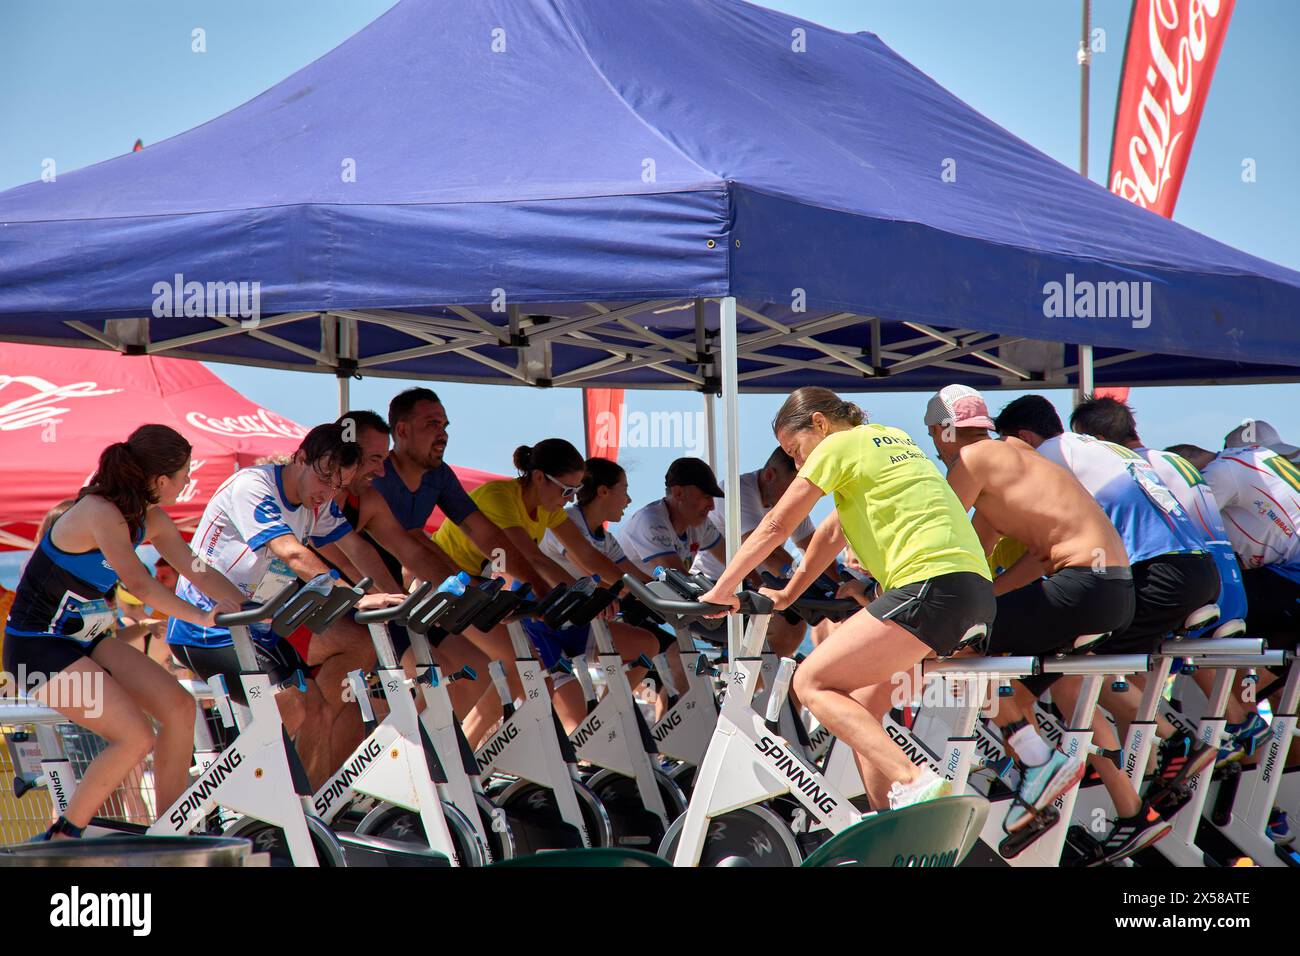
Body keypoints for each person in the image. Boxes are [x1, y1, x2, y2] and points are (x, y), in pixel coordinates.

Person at [700, 387, 995, 811]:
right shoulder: (889, 439)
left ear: (819, 423)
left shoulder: (837, 444)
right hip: (973, 592)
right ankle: (890, 822)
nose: (798, 464)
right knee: (860, 705)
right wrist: (788, 593)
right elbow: (832, 533)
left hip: (930, 587)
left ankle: (915, 780)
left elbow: (776, 524)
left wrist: (722, 589)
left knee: (811, 681)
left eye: (794, 450)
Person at [994, 394, 1220, 857]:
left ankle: (1169, 743)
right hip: (1192, 570)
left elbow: (1044, 558)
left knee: (1052, 683)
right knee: (1068, 678)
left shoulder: (1048, 458)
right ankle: (1132, 806)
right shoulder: (1094, 448)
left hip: (1156, 572)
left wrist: (990, 592)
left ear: (1023, 441)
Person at [3, 425, 250, 839]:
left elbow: (197, 567)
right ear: (158, 480)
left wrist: (247, 607)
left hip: (84, 638)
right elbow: (140, 585)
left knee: (179, 707)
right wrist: (203, 617)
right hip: (35, 647)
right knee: (134, 737)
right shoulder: (101, 512)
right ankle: (64, 834)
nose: (188, 482)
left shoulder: (150, 518)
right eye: (185, 474)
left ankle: (171, 830)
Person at [922, 384, 1133, 833]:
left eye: (931, 435)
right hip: (1114, 590)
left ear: (945, 431)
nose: (935, 449)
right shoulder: (1016, 455)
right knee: (1012, 694)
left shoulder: (972, 460)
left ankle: (1038, 765)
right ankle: (1059, 796)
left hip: (1082, 584)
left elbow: (939, 541)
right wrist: (986, 596)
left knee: (958, 650)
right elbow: (984, 550)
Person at [165, 423, 404, 788]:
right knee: (296, 707)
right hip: (208, 627)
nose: (327, 494)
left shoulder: (317, 498)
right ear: (301, 458)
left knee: (325, 702)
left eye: (338, 486)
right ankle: (228, 792)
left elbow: (356, 549)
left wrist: (395, 595)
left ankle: (307, 812)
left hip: (260, 624)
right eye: (324, 480)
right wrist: (357, 597)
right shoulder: (253, 486)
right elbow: (292, 553)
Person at [1070, 397, 1263, 762]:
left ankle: (1165, 745)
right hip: (1224, 578)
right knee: (1150, 650)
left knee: (1102, 657)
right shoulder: (1169, 458)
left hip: (1195, 581)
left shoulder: (1132, 465)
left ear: (1096, 439)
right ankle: (1232, 725)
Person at [311, 409, 493, 733]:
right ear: (346, 455)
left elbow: (407, 551)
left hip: (358, 609)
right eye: (375, 459)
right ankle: (402, 757)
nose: (382, 469)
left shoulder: (367, 499)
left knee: (473, 668)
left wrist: (459, 591)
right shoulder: (317, 500)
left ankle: (419, 759)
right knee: (432, 678)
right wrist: (390, 599)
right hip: (322, 615)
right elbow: (344, 559)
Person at [431, 439, 637, 714]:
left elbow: (585, 555)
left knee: (534, 676)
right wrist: (554, 595)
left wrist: (591, 594)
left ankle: (473, 749)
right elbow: (529, 557)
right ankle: (466, 746)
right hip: (443, 583)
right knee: (526, 672)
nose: (572, 499)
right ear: (539, 478)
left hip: (476, 588)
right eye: (566, 490)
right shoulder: (500, 497)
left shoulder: (546, 509)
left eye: (576, 490)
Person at [532, 456, 659, 730]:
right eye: (624, 491)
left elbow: (635, 579)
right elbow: (589, 565)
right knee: (574, 723)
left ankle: (602, 726)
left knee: (647, 645)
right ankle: (589, 737)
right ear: (603, 491)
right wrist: (616, 591)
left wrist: (675, 597)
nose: (628, 500)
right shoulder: (566, 522)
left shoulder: (607, 540)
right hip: (543, 628)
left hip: (578, 625)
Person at [690, 448, 818, 657]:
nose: (799, 497)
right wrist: (800, 577)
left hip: (752, 583)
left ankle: (758, 687)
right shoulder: (737, 491)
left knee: (794, 622)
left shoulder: (790, 497)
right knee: (788, 624)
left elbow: (814, 548)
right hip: (711, 588)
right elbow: (768, 553)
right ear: (769, 476)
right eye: (793, 489)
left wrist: (837, 583)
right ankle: (754, 686)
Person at [619, 458, 728, 578]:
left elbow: (732, 560)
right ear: (678, 493)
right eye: (706, 496)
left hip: (650, 595)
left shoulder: (700, 522)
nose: (712, 506)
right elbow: (676, 579)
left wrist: (751, 580)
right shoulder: (649, 521)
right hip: (618, 596)